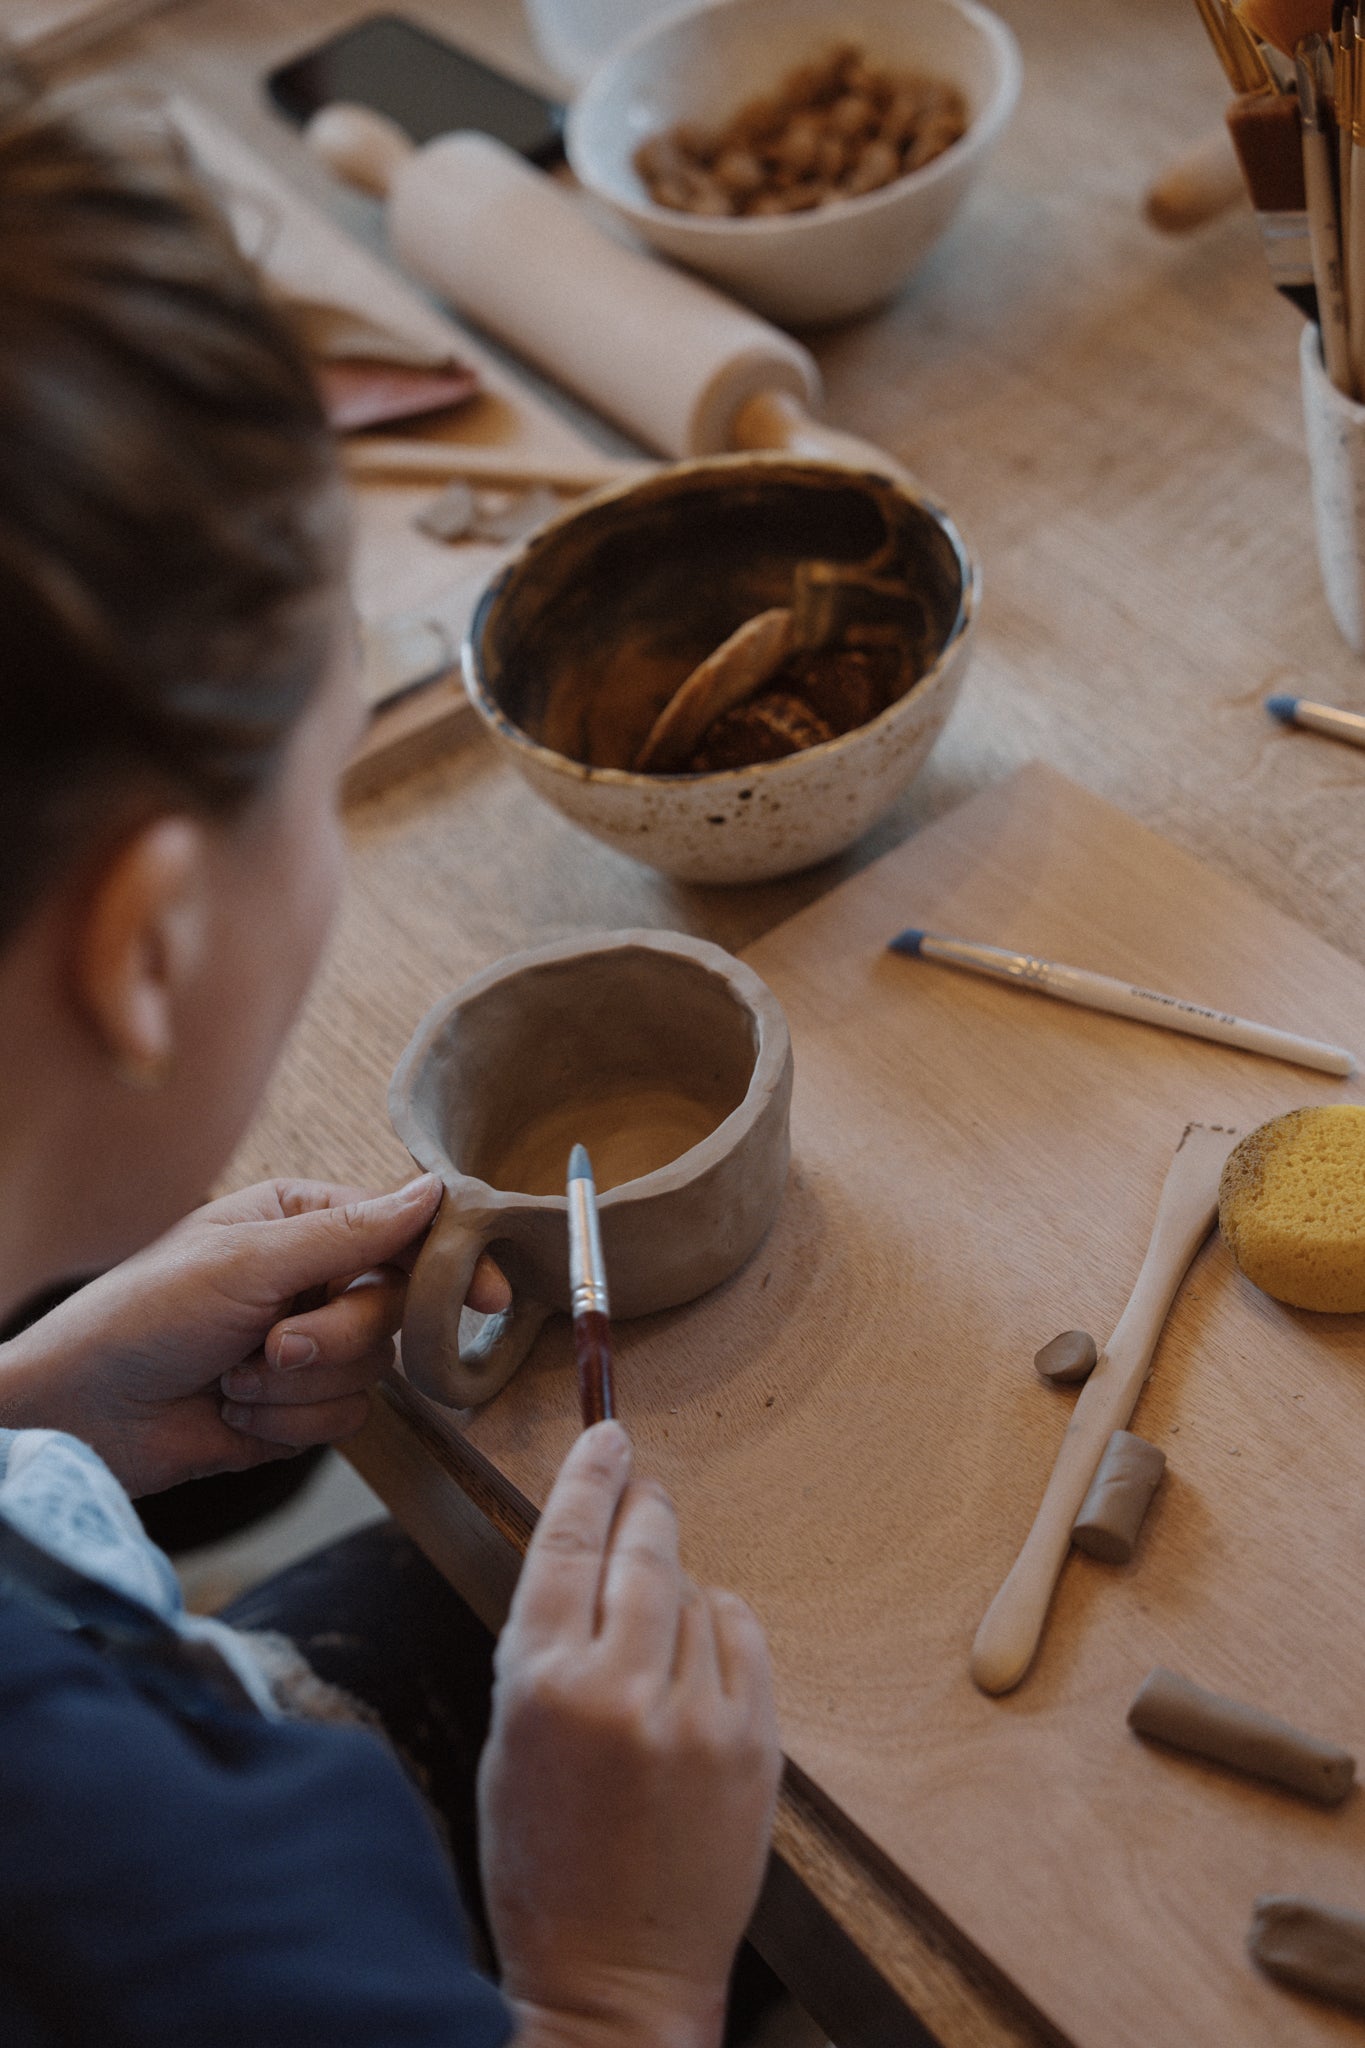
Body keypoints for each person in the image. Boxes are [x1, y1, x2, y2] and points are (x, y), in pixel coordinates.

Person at [0, 74, 781, 2048]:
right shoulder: (121, 1874)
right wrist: (611, 1978)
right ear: (148, 948)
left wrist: (42, 1423)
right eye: (325, 785)